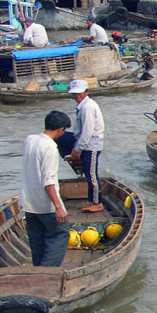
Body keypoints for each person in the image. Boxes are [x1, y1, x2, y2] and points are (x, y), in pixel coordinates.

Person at [20, 110, 72, 268]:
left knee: (37, 240)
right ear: (61, 129)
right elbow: (48, 181)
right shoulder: (50, 147)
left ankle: (38, 271)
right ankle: (47, 273)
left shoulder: (30, 140)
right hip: (45, 205)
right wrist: (58, 206)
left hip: (28, 203)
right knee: (60, 233)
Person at [58, 79, 106, 213]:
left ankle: (97, 203)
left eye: (80, 93)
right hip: (80, 140)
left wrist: (77, 149)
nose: (77, 96)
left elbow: (88, 132)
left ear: (86, 92)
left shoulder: (87, 107)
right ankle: (73, 159)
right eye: (74, 93)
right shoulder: (82, 106)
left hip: (90, 146)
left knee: (91, 175)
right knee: (59, 136)